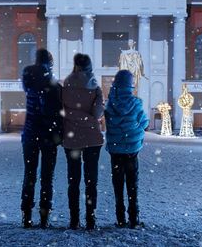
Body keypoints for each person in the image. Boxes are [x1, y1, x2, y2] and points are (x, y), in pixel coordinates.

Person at [60, 53, 104, 230]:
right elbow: (97, 114)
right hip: (92, 137)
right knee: (91, 181)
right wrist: (87, 118)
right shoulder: (95, 86)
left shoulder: (65, 85)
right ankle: (91, 219)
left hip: (72, 138)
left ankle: (74, 219)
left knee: (73, 181)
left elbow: (62, 111)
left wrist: (74, 115)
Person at [20, 48, 63, 229]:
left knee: (29, 175)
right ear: (50, 63)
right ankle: (44, 215)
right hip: (48, 136)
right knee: (47, 177)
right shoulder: (54, 85)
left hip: (30, 133)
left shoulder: (28, 78)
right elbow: (60, 113)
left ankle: (27, 215)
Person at [104, 69, 148, 229]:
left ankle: (120, 218)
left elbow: (108, 123)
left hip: (115, 149)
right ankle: (134, 218)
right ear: (130, 86)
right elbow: (144, 122)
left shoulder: (109, 104)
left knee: (117, 184)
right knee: (132, 184)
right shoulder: (136, 103)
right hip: (132, 149)